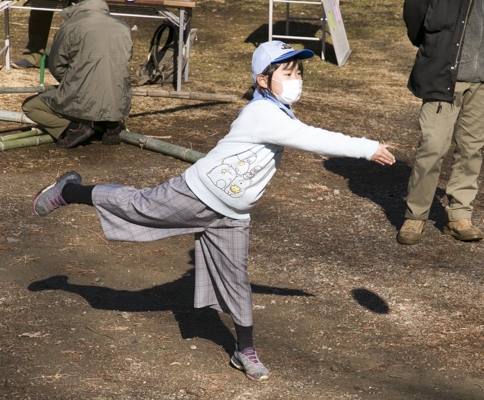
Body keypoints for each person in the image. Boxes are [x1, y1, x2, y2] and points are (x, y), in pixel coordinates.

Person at [32, 40, 396, 381]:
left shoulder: (281, 113)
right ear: (263, 81)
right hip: (198, 194)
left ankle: (245, 350)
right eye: (287, 74)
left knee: (237, 280)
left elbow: (302, 134)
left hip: (232, 213)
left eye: (299, 73)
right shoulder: (262, 114)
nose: (296, 80)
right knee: (137, 206)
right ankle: (69, 190)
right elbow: (316, 138)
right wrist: (367, 147)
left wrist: (291, 291)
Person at [397, 0, 484, 245]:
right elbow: (415, 11)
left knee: (471, 148)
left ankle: (459, 215)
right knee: (433, 146)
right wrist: (434, 46)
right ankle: (416, 215)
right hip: (444, 73)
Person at [21, 0, 132, 148]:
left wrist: (73, 82)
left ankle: (75, 127)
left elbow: (56, 65)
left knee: (30, 106)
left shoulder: (71, 26)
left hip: (83, 99)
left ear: (73, 4)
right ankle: (109, 124)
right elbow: (124, 61)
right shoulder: (123, 26)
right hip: (118, 101)